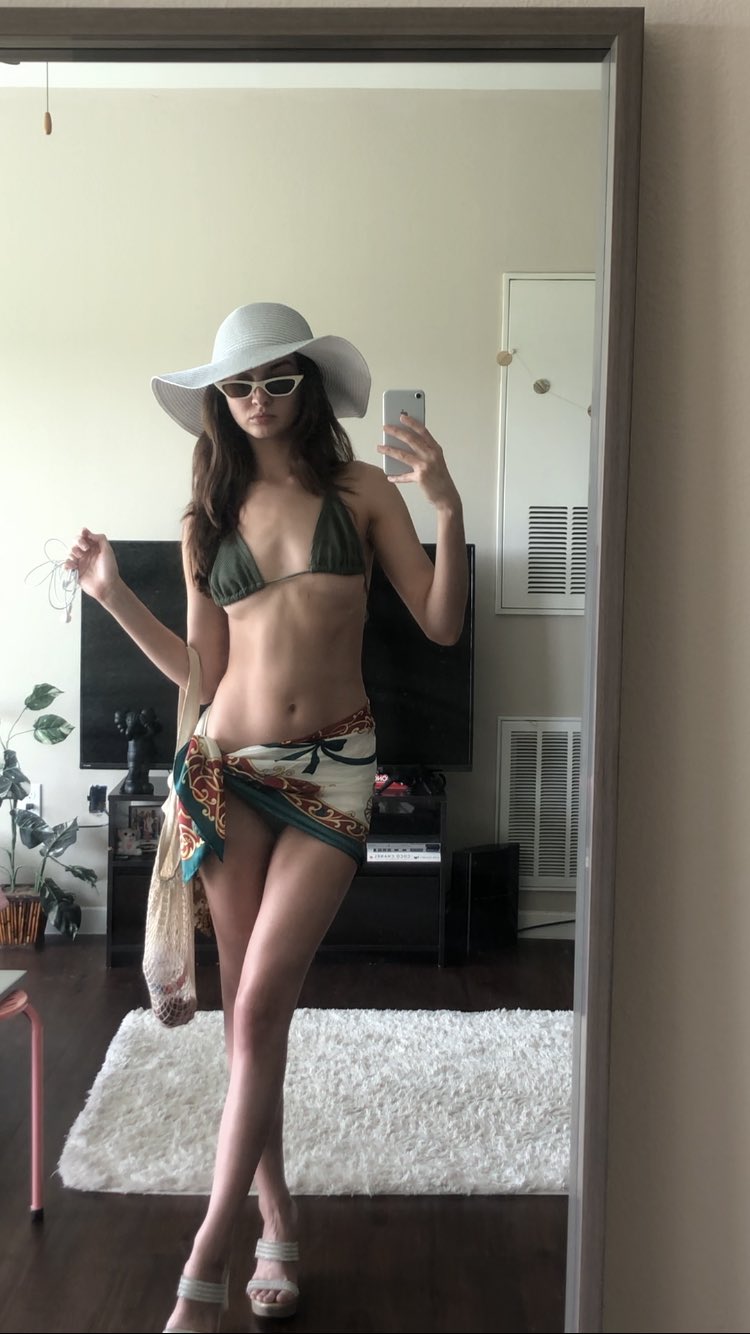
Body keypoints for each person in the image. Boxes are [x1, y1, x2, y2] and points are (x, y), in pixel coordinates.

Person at [66, 301, 467, 1333]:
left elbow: (440, 621)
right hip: (228, 770)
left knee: (257, 1010)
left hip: (333, 775)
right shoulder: (206, 517)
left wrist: (447, 509)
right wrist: (111, 593)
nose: (255, 399)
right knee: (254, 1016)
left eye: (276, 380)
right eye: (238, 385)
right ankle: (276, 1217)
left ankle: (203, 1262)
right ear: (219, 399)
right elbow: (201, 671)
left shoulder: (364, 492)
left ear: (307, 388)